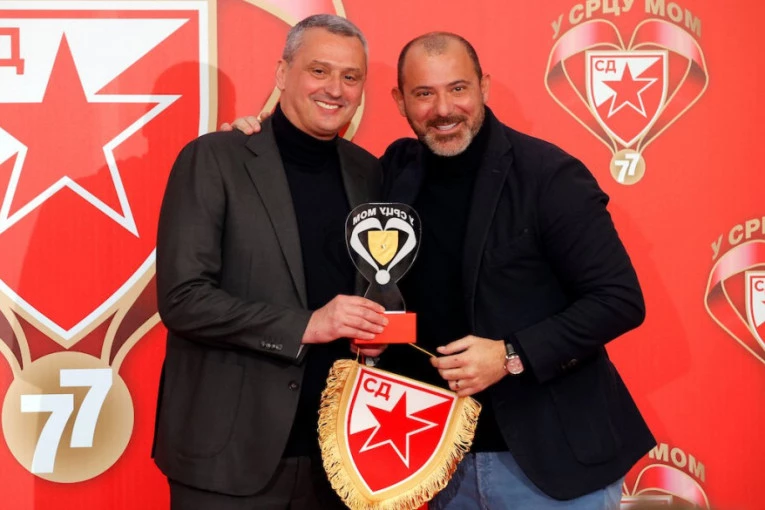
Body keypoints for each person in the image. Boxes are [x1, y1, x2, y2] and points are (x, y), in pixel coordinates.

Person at [225, 31, 655, 510]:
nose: (444, 109)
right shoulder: (394, 171)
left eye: (458, 89)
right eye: (424, 94)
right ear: (400, 101)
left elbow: (618, 299)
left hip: (550, 462)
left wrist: (511, 354)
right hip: (435, 462)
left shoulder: (549, 175)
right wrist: (262, 143)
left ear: (483, 87)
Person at [153, 14, 388, 510]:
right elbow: (183, 299)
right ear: (283, 73)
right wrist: (308, 325)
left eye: (351, 77)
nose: (336, 89)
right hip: (230, 457)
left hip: (343, 459)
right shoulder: (215, 158)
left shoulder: (370, 173)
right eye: (319, 71)